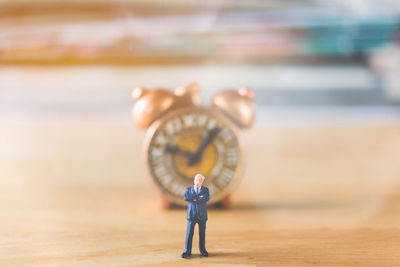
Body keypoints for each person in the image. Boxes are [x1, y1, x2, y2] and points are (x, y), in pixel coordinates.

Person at [181, 173, 210, 258]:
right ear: (194, 181)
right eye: (196, 180)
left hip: (202, 215)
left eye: (200, 181)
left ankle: (203, 250)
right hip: (192, 215)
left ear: (202, 182)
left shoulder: (205, 190)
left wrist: (193, 198)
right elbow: (186, 197)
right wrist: (198, 196)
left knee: (202, 234)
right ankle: (187, 251)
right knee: (189, 234)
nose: (198, 182)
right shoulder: (188, 190)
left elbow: (206, 198)